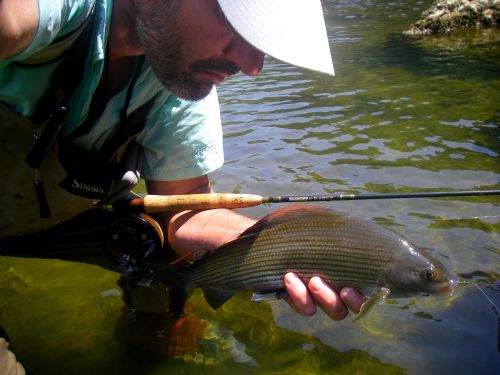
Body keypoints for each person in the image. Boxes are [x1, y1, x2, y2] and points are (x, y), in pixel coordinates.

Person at [0, 0, 365, 320]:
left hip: (56, 215)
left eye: (262, 41)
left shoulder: (176, 72)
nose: (253, 66)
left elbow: (186, 208)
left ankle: (153, 336)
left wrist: (282, 250)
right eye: (237, 24)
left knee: (158, 252)